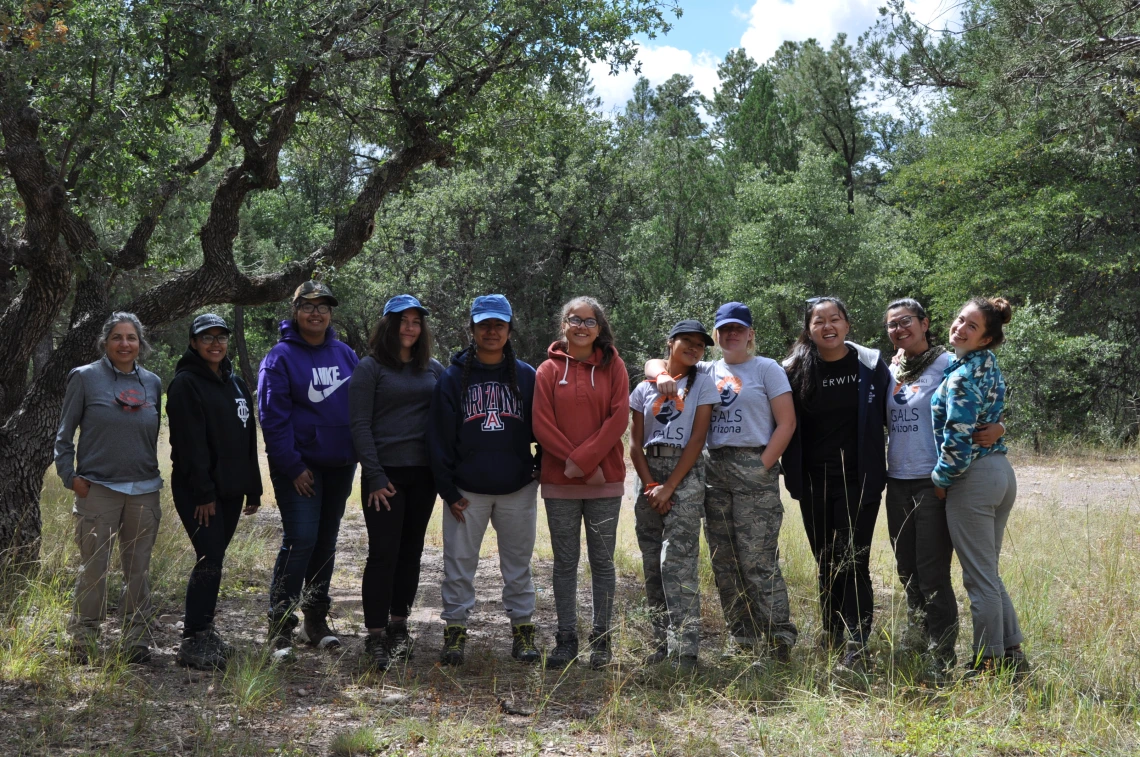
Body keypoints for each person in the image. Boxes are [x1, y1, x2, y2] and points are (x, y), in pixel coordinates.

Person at [646, 302, 798, 663]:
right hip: (712, 468)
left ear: (750, 334)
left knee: (757, 559)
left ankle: (778, 637)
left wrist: (762, 465)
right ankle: (742, 636)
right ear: (715, 336)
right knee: (724, 560)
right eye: (724, 329)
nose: (731, 334)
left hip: (753, 463)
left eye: (738, 329)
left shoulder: (767, 369)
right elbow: (658, 364)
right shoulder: (704, 369)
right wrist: (657, 374)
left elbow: (787, 423)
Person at [882, 298, 1004, 674]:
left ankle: (941, 652)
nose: (899, 329)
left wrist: (1000, 427)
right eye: (891, 325)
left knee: (932, 571)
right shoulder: (889, 369)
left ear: (924, 323)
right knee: (906, 569)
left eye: (906, 321)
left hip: (932, 481)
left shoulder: (948, 362)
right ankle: (916, 637)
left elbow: (983, 400)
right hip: (896, 480)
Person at [429, 294, 542, 666]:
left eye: (499, 324)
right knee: (459, 564)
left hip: (517, 488)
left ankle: (523, 630)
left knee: (518, 564)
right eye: (484, 324)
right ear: (472, 329)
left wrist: (539, 465)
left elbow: (544, 428)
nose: (491, 331)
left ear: (510, 329)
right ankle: (455, 632)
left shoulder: (526, 375)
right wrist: (447, 489)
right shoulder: (452, 377)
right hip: (466, 491)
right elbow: (439, 438)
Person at [781, 296, 890, 672]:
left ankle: (857, 644)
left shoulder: (871, 366)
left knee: (853, 560)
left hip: (859, 480)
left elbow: (902, 410)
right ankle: (832, 635)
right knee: (826, 561)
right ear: (808, 330)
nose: (827, 326)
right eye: (818, 321)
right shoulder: (793, 370)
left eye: (835, 319)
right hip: (813, 480)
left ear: (847, 324)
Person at [54, 312, 164, 664]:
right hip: (97, 488)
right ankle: (84, 640)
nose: (125, 344)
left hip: (144, 490)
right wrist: (69, 476)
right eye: (117, 337)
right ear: (105, 342)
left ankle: (135, 641)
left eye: (131, 337)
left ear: (140, 343)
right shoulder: (85, 378)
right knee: (93, 568)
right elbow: (64, 432)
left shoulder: (152, 382)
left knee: (138, 569)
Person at [258, 281, 359, 650]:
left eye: (323, 306)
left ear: (331, 314)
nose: (316, 312)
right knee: (301, 539)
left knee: (325, 543)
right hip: (299, 469)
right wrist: (292, 466)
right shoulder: (280, 358)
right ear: (295, 311)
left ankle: (315, 622)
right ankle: (280, 625)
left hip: (340, 466)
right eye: (308, 306)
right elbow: (272, 419)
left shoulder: (346, 354)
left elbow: (361, 408)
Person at [533, 296, 629, 670]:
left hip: (604, 484)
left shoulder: (614, 366)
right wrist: (580, 463)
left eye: (590, 321)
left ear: (599, 328)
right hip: (560, 483)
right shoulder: (547, 371)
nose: (582, 327)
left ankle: (602, 640)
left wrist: (584, 463)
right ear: (564, 325)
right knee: (565, 563)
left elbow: (619, 419)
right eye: (575, 320)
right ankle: (566, 638)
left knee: (602, 563)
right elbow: (542, 426)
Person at [349, 295, 444, 671]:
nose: (410, 327)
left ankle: (398, 627)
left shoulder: (432, 369)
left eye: (416, 321)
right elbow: (359, 425)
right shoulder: (370, 368)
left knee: (411, 553)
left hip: (423, 476)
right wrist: (373, 475)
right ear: (387, 325)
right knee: (383, 554)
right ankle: (374, 637)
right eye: (403, 320)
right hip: (384, 477)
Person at [932, 297, 1026, 677]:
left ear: (986, 339)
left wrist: (941, 479)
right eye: (960, 320)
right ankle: (1012, 652)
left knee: (979, 578)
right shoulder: (985, 365)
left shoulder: (962, 376)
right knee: (988, 572)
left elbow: (958, 434)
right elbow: (994, 415)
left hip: (974, 477)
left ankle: (987, 662)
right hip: (1000, 473)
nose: (961, 328)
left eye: (972, 326)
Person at [167, 314, 263, 670]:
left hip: (231, 489)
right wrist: (203, 493)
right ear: (193, 343)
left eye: (220, 337)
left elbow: (246, 438)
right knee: (209, 559)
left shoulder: (234, 383)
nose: (215, 344)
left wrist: (252, 488)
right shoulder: (185, 384)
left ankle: (205, 631)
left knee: (216, 558)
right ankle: (193, 638)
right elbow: (189, 446)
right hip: (199, 491)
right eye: (206, 337)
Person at [629, 319, 720, 671]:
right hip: (648, 475)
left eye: (700, 344)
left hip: (685, 474)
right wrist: (652, 485)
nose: (694, 348)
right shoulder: (643, 388)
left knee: (677, 562)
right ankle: (660, 643)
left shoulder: (703, 385)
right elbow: (635, 445)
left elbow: (697, 441)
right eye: (687, 341)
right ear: (670, 343)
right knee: (652, 561)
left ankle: (685, 650)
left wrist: (670, 487)